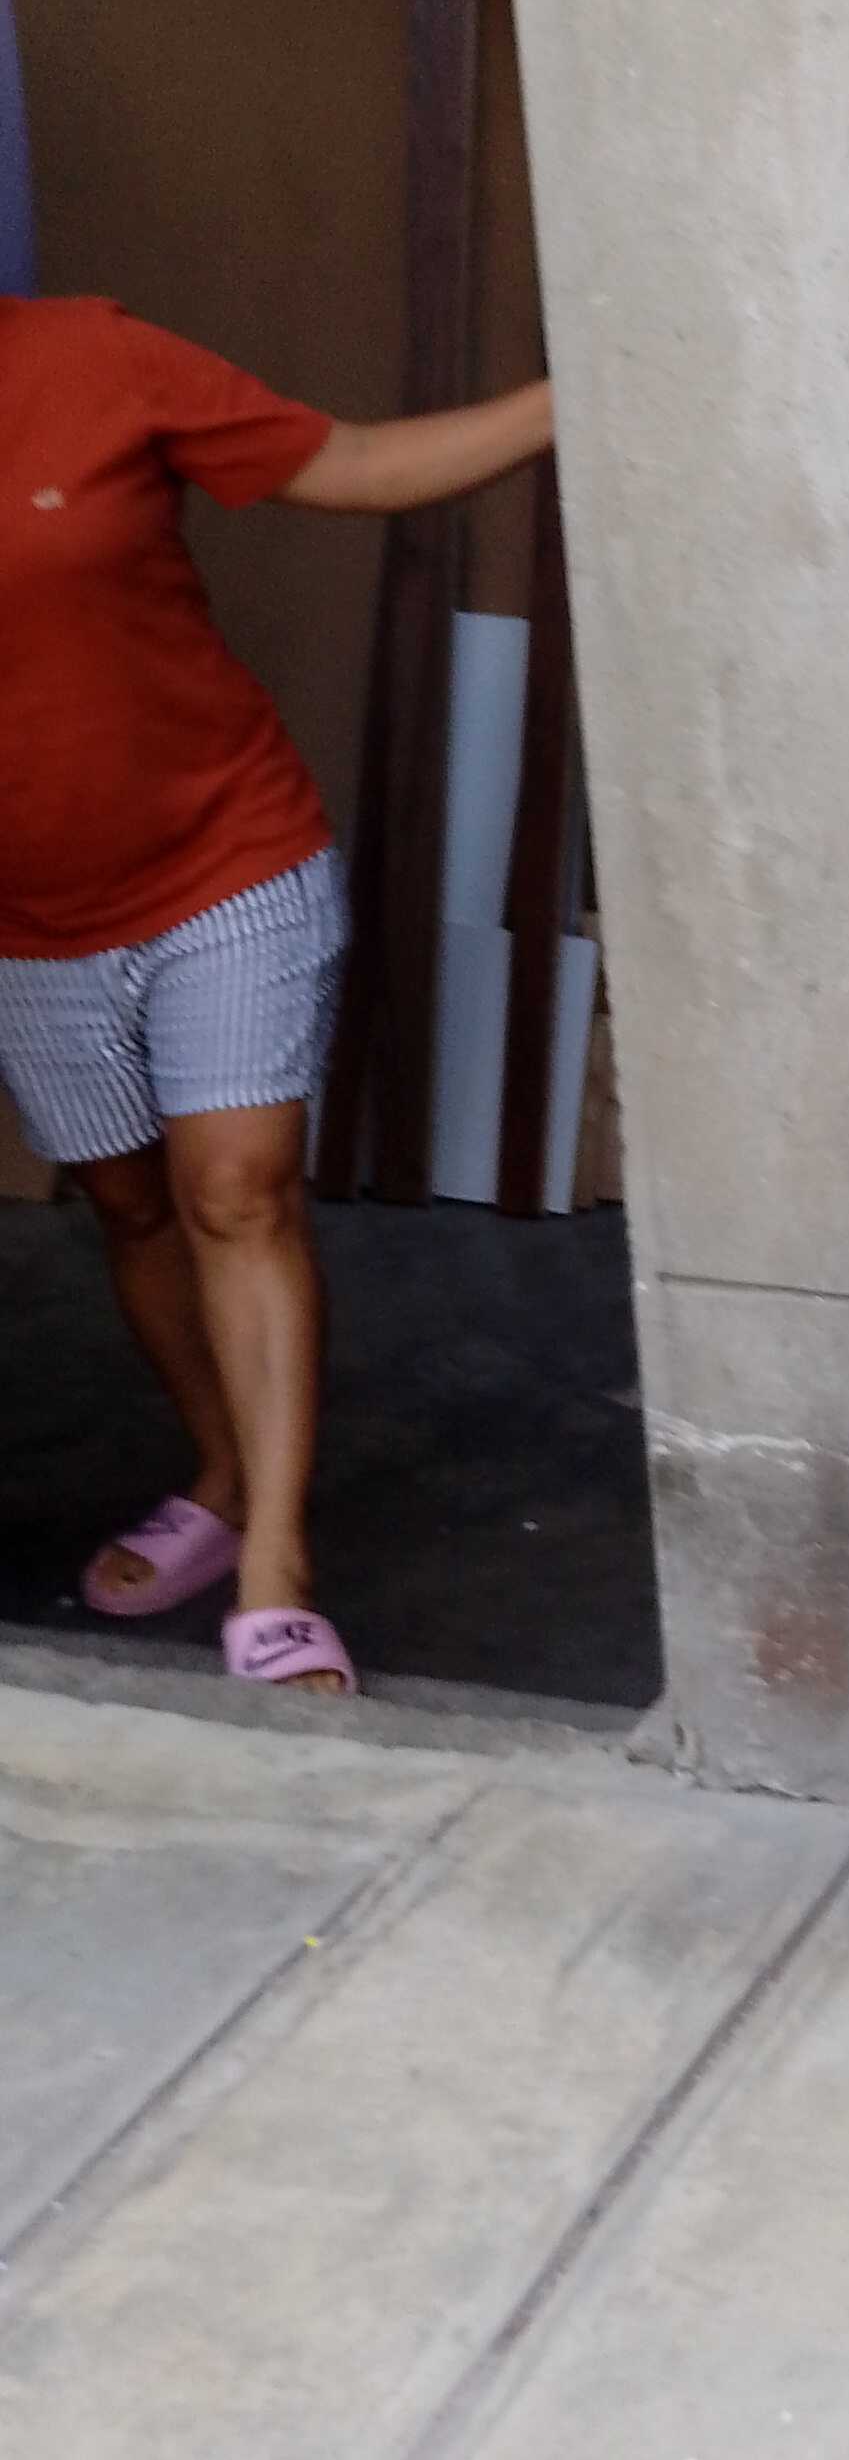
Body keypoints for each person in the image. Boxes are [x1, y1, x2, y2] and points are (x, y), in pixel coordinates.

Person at [0, 294, 557, 1695]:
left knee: (236, 1192)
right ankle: (225, 1475)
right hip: (26, 920)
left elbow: (352, 463)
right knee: (132, 1203)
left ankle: (276, 1570)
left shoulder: (91, 356)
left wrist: (577, 398)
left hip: (222, 857)